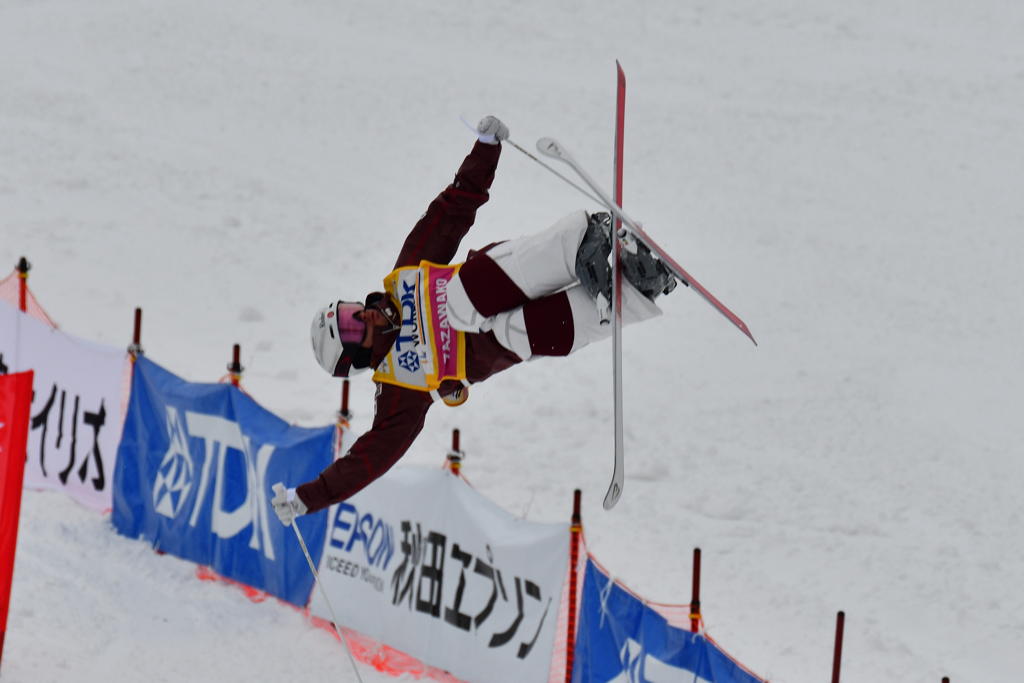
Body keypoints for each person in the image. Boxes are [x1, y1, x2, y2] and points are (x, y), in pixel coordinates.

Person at [271, 116, 676, 526]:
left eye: (350, 312)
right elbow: (366, 463)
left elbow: (451, 211)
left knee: (459, 299)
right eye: (354, 329)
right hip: (509, 340)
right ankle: (636, 287)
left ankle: (584, 245)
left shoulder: (405, 278)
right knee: (515, 334)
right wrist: (308, 498)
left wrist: (485, 149)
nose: (364, 317)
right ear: (357, 356)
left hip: (497, 279)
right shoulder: (398, 392)